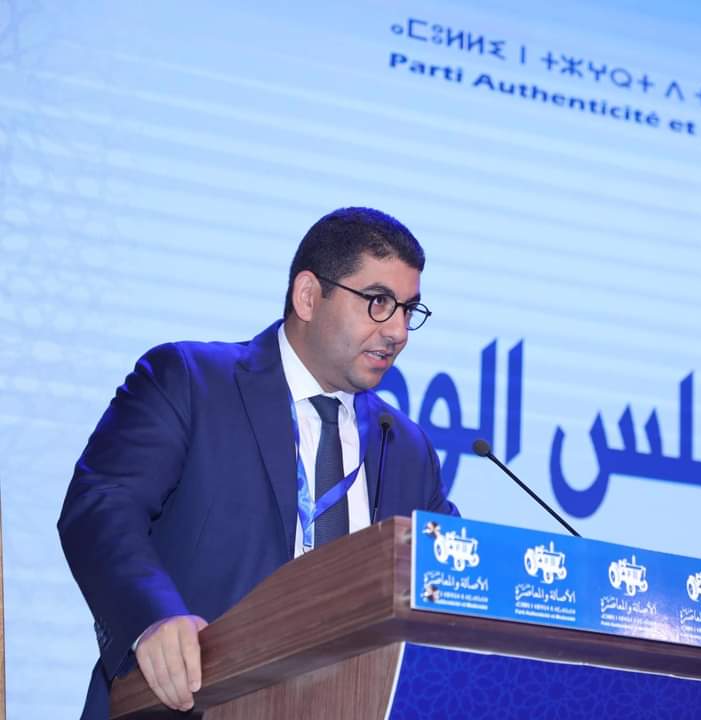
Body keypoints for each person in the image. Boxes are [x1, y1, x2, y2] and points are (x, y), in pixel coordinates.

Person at [58, 207, 457, 719]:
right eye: (379, 302)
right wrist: (151, 620)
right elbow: (102, 506)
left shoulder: (405, 447)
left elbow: (450, 575)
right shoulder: (192, 382)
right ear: (308, 296)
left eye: (408, 310)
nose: (398, 331)